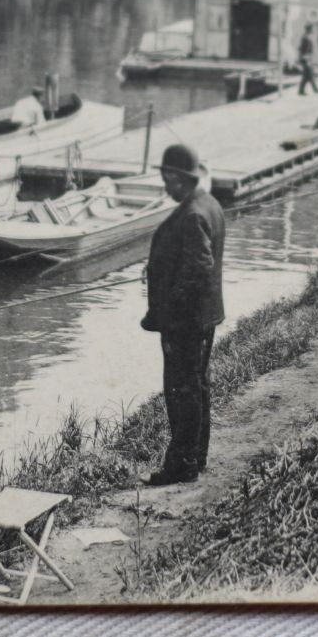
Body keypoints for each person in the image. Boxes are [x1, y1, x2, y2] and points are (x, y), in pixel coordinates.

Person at [138, 143, 228, 486]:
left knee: (181, 389)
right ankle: (196, 456)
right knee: (197, 385)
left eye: (166, 178)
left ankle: (182, 464)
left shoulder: (192, 214)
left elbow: (199, 269)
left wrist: (169, 304)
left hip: (186, 321)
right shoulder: (208, 203)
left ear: (180, 178)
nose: (165, 186)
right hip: (203, 316)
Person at [296, 24, 318, 95]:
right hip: (305, 58)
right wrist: (305, 58)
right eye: (311, 29)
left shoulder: (306, 37)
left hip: (307, 57)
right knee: (309, 74)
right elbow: (302, 49)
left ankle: (302, 90)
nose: (312, 30)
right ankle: (314, 89)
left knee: (307, 75)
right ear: (308, 30)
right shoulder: (305, 38)